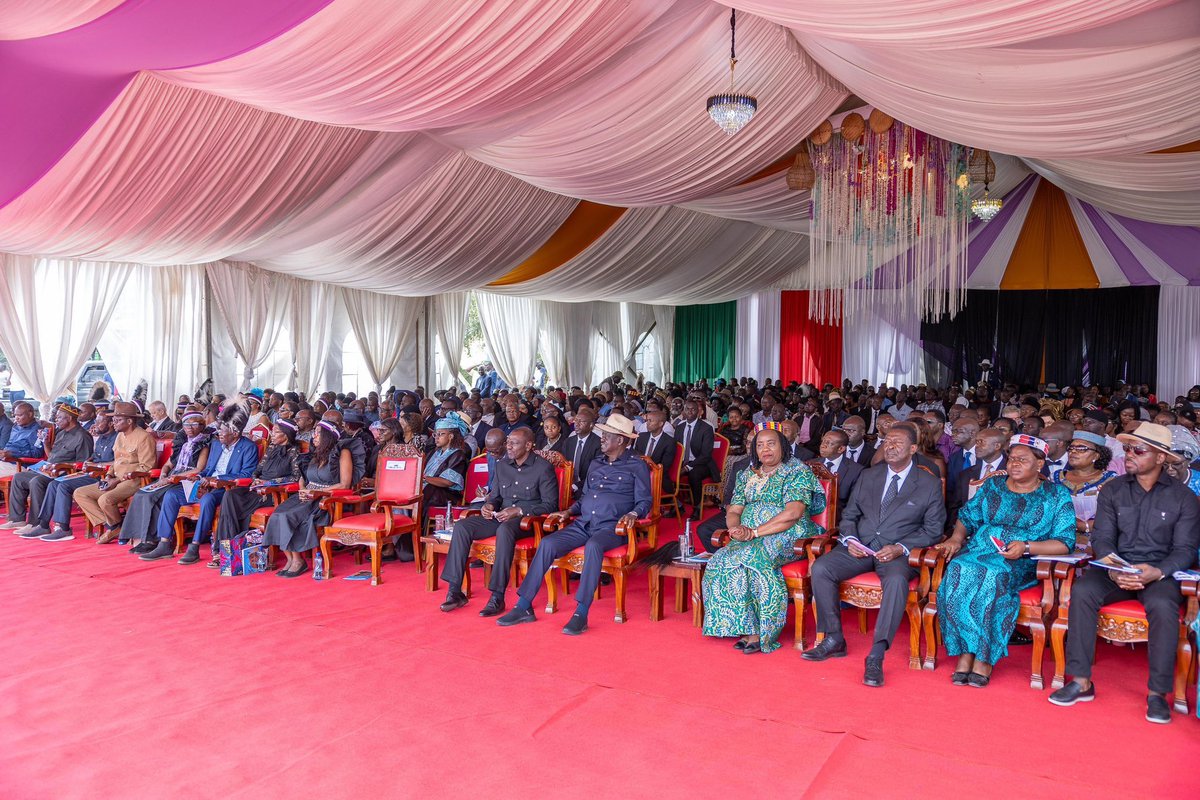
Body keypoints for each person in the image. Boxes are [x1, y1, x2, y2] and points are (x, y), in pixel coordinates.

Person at [1049, 422, 1200, 724]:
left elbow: (1185, 549)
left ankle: (1157, 694)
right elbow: (1102, 538)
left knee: (1163, 606)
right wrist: (1114, 567)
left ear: (1160, 458)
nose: (1129, 454)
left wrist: (1157, 571)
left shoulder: (1184, 498)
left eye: (1138, 450)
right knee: (1082, 591)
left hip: (1159, 573)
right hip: (1115, 568)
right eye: (1128, 449)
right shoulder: (1113, 489)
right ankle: (1081, 681)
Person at [803, 423, 946, 687]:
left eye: (897, 443)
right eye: (887, 442)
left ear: (913, 449)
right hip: (861, 547)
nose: (890, 447)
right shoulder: (869, 475)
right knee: (822, 568)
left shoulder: (928, 483)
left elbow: (934, 530)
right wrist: (850, 539)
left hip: (898, 554)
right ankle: (834, 638)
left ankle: (877, 654)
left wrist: (900, 547)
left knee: (896, 581)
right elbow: (849, 515)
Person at [934, 435, 1076, 686]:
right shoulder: (993, 485)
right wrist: (956, 538)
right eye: (1011, 459)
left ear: (1039, 464)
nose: (1014, 464)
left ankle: (984, 658)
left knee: (992, 575)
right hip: (980, 549)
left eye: (1022, 460)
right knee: (957, 568)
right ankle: (966, 651)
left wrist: (1027, 547)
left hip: (1022, 559)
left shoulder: (1056, 494)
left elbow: (1065, 543)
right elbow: (968, 516)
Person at [497, 414, 651, 635]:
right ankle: (523, 606)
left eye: (607, 435)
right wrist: (568, 511)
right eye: (603, 434)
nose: (601, 438)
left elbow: (644, 501)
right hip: (584, 523)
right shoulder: (596, 463)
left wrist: (633, 514)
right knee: (548, 544)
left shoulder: (637, 466)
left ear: (620, 440)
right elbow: (584, 498)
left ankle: (581, 612)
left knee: (594, 546)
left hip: (613, 527)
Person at [702, 427, 827, 653]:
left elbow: (793, 513)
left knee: (752, 557)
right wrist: (735, 528)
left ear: (783, 446)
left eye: (771, 443)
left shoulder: (796, 471)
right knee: (719, 560)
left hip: (789, 533)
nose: (765, 449)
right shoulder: (747, 474)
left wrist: (755, 532)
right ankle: (741, 625)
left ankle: (763, 631)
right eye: (759, 445)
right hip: (750, 533)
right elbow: (734, 509)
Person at [439, 426, 560, 617]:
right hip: (501, 516)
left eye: (514, 443)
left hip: (527, 521)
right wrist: (488, 506)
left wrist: (519, 510)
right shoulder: (502, 465)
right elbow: (495, 497)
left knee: (505, 530)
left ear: (528, 445)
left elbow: (551, 504)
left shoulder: (543, 468)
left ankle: (497, 596)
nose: (508, 447)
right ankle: (455, 592)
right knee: (462, 526)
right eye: (508, 442)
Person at [160, 405, 261, 564]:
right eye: (219, 430)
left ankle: (195, 546)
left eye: (222, 431)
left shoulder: (248, 447)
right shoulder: (216, 444)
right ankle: (164, 543)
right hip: (205, 484)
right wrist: (199, 476)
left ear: (235, 433)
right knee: (171, 495)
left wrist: (216, 479)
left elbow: (246, 475)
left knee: (207, 499)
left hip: (226, 487)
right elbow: (208, 469)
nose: (218, 433)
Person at [263, 421, 355, 578]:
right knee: (277, 515)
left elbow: (344, 484)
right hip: (307, 495)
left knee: (288, 516)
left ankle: (298, 560)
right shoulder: (316, 453)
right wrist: (303, 489)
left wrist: (317, 492)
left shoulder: (342, 452)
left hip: (325, 499)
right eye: (314, 433)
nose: (314, 436)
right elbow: (302, 477)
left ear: (328, 436)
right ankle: (290, 558)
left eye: (318, 433)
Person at [210, 419, 303, 566]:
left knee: (234, 504)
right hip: (257, 487)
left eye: (276, 432)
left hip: (273, 492)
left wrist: (269, 483)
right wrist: (255, 480)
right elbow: (257, 470)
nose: (272, 434)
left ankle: (229, 551)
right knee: (230, 495)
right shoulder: (271, 448)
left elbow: (295, 477)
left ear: (286, 435)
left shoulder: (294, 451)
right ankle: (227, 548)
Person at [123, 413, 212, 556]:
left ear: (202, 426)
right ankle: (138, 537)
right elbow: (168, 464)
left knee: (154, 498)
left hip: (185, 480)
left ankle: (153, 540)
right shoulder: (182, 443)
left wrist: (173, 477)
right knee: (141, 493)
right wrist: (163, 475)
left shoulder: (204, 444)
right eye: (186, 424)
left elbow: (198, 469)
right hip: (171, 477)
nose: (190, 428)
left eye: (194, 424)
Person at [25, 409, 118, 541]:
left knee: (63, 485)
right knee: (54, 484)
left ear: (110, 424)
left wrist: (96, 465)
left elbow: (117, 463)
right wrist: (89, 461)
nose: (95, 424)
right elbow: (94, 457)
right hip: (89, 472)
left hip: (101, 475)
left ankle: (63, 528)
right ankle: (44, 525)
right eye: (96, 421)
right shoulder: (102, 437)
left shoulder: (117, 438)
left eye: (99, 421)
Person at [72, 402, 159, 544]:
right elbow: (116, 461)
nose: (114, 423)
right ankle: (113, 526)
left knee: (105, 499)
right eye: (113, 419)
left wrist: (117, 480)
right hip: (115, 478)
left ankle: (115, 527)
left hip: (134, 480)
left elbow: (147, 467)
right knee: (80, 493)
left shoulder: (144, 437)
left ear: (129, 421)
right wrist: (108, 476)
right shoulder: (120, 436)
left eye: (117, 420)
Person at [5, 403, 94, 536]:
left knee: (37, 481)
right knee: (19, 477)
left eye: (59, 417)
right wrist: (46, 443)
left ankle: (36, 524)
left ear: (69, 418)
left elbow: (82, 464)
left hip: (64, 472)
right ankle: (17, 519)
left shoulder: (82, 436)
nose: (56, 420)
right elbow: (52, 455)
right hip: (49, 468)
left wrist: (60, 467)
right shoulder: (61, 432)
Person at [1053, 430, 1117, 541]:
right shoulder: (1055, 478)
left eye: (1081, 449)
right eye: (1071, 448)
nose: (1073, 451)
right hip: (1057, 541)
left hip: (1099, 541)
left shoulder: (1111, 480)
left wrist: (1085, 526)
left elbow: (1118, 516)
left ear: (1096, 455)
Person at [675, 400, 717, 520]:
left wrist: (687, 467)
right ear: (683, 411)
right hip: (683, 461)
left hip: (702, 462)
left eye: (693, 409)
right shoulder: (680, 427)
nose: (690, 412)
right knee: (665, 470)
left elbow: (706, 455)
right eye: (687, 409)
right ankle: (676, 505)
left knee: (694, 474)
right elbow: (675, 448)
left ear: (698, 412)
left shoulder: (706, 428)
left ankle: (697, 507)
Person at [814, 428, 863, 506]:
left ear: (841, 449)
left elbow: (853, 504)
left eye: (829, 443)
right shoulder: (811, 464)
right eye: (823, 441)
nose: (823, 446)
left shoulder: (856, 471)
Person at [0, 402, 45, 477]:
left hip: (19, 465)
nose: (16, 418)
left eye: (19, 415)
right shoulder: (16, 427)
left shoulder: (36, 431)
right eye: (15, 415)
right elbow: (8, 445)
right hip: (5, 461)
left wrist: (12, 454)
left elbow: (37, 454)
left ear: (30, 414)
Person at [564, 407, 601, 497]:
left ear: (591, 425)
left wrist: (575, 486)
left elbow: (596, 473)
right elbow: (563, 465)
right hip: (567, 483)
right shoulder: (568, 442)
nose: (576, 424)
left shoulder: (598, 444)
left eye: (581, 422)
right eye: (576, 420)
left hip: (587, 486)